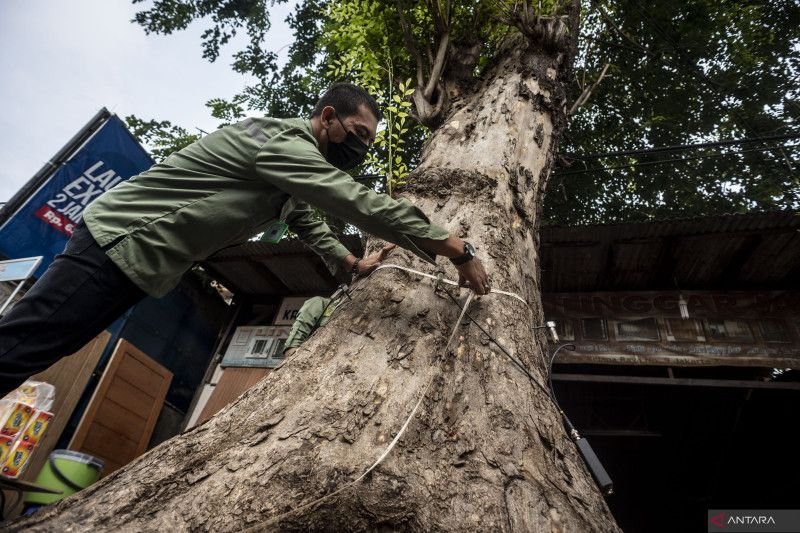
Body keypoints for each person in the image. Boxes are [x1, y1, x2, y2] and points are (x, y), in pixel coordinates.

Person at [0, 82, 489, 396]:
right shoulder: (284, 145)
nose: (361, 145)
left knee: (45, 347)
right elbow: (352, 200)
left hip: (141, 261)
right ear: (326, 117)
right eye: (357, 131)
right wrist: (454, 248)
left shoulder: (287, 175)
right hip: (122, 242)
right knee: (24, 344)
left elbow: (303, 216)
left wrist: (348, 262)